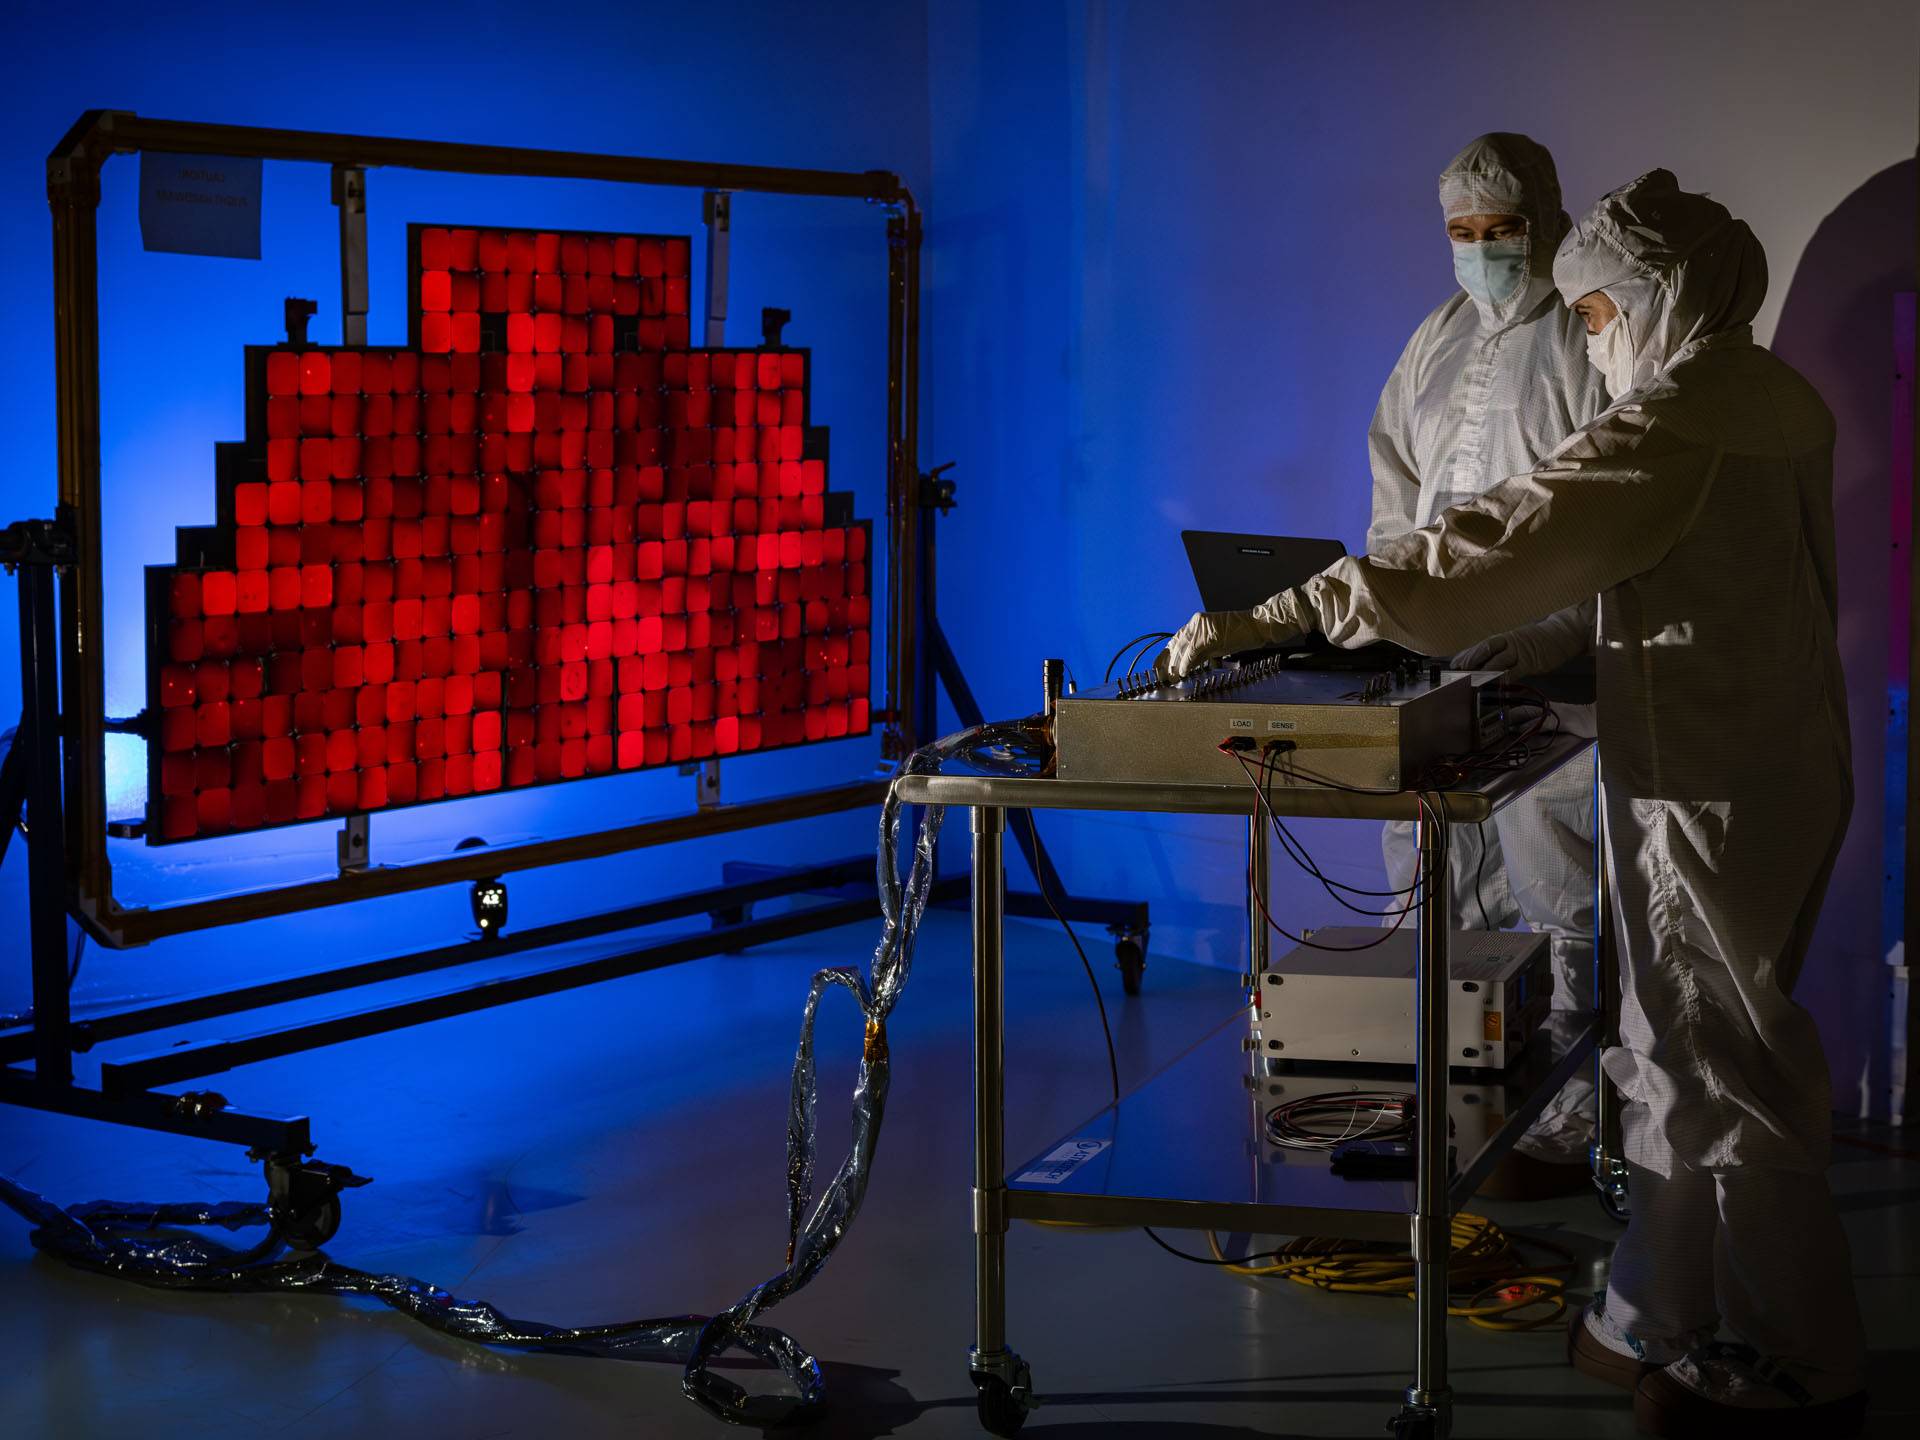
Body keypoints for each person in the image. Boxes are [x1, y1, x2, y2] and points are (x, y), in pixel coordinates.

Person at [1158, 171, 1866, 1436]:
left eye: (1598, 314)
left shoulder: (1683, 413)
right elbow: (1676, 573)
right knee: (1675, 1049)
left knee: (1718, 1060)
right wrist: (1540, 649)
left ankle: (1796, 1356)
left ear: (1657, 291)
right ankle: (1653, 1311)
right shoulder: (1769, 398)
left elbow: (1501, 533)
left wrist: (1298, 608)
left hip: (1704, 783)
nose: (1589, 338)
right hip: (1753, 760)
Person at [1368, 133, 1609, 1188]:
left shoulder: (1587, 337)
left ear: (1544, 220)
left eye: (1499, 231)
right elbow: (1394, 486)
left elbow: (1609, 515)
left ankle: (1576, 1114)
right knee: (1429, 882)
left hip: (1554, 674)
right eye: (1461, 233)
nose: (1480, 250)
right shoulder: (1436, 337)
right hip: (1440, 667)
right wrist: (1386, 607)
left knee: (1561, 891)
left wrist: (1542, 637)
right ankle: (1447, 1091)